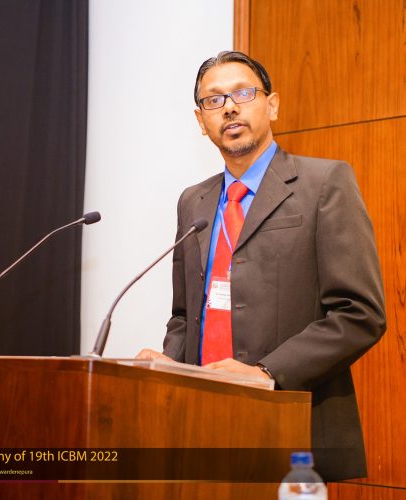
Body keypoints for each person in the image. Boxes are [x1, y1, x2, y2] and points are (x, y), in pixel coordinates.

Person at [137, 51, 386, 481]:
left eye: (243, 93)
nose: (229, 108)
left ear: (271, 105)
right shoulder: (193, 201)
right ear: (201, 122)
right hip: (200, 421)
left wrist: (265, 373)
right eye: (214, 100)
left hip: (289, 419)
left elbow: (359, 313)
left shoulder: (323, 184)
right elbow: (184, 315)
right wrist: (168, 363)